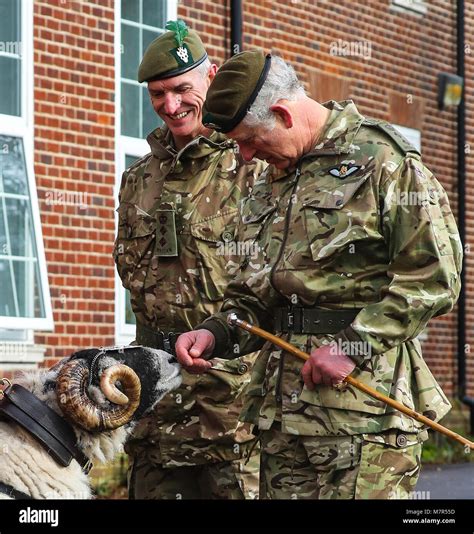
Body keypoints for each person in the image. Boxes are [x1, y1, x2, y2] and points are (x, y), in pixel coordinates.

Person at [175, 50, 463, 499]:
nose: (245, 155)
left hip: (362, 417)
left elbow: (434, 275)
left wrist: (351, 346)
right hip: (280, 416)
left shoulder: (382, 161)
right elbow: (253, 293)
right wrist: (216, 334)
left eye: (249, 139)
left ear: (283, 113)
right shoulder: (269, 177)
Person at [113, 23, 265, 500]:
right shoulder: (137, 179)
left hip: (233, 407)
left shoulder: (252, 165)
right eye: (158, 94)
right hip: (154, 401)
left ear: (212, 77)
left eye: (182, 88)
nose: (171, 105)